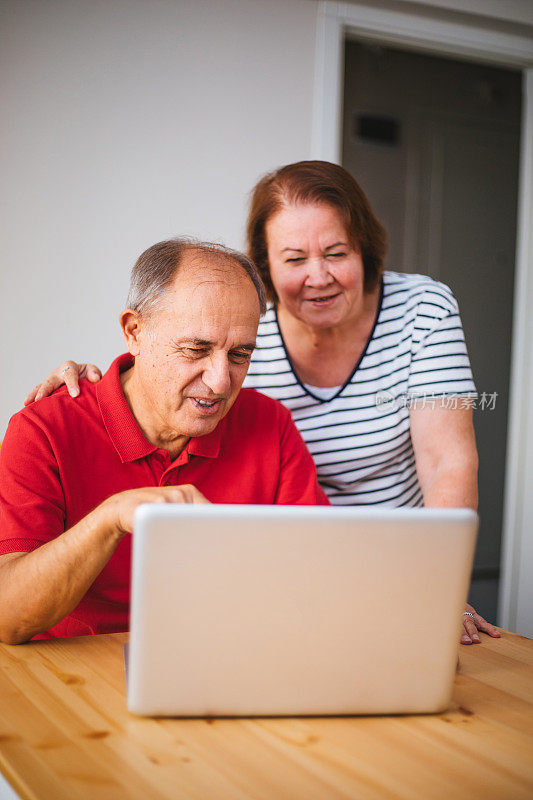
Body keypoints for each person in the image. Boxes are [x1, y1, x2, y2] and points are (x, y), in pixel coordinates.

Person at [25, 160, 499, 645]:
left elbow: (447, 462)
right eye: (294, 259)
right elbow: (161, 358)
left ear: (366, 249)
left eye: (336, 252)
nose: (319, 277)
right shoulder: (244, 326)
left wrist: (438, 587)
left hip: (391, 565)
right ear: (267, 267)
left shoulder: (416, 312)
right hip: (284, 576)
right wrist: (85, 383)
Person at [0, 239, 327, 644]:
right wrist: (112, 517)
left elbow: (316, 580)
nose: (221, 382)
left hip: (221, 661)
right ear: (135, 332)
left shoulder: (270, 424)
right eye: (196, 349)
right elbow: (8, 617)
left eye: (240, 354)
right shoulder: (43, 429)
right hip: (76, 679)